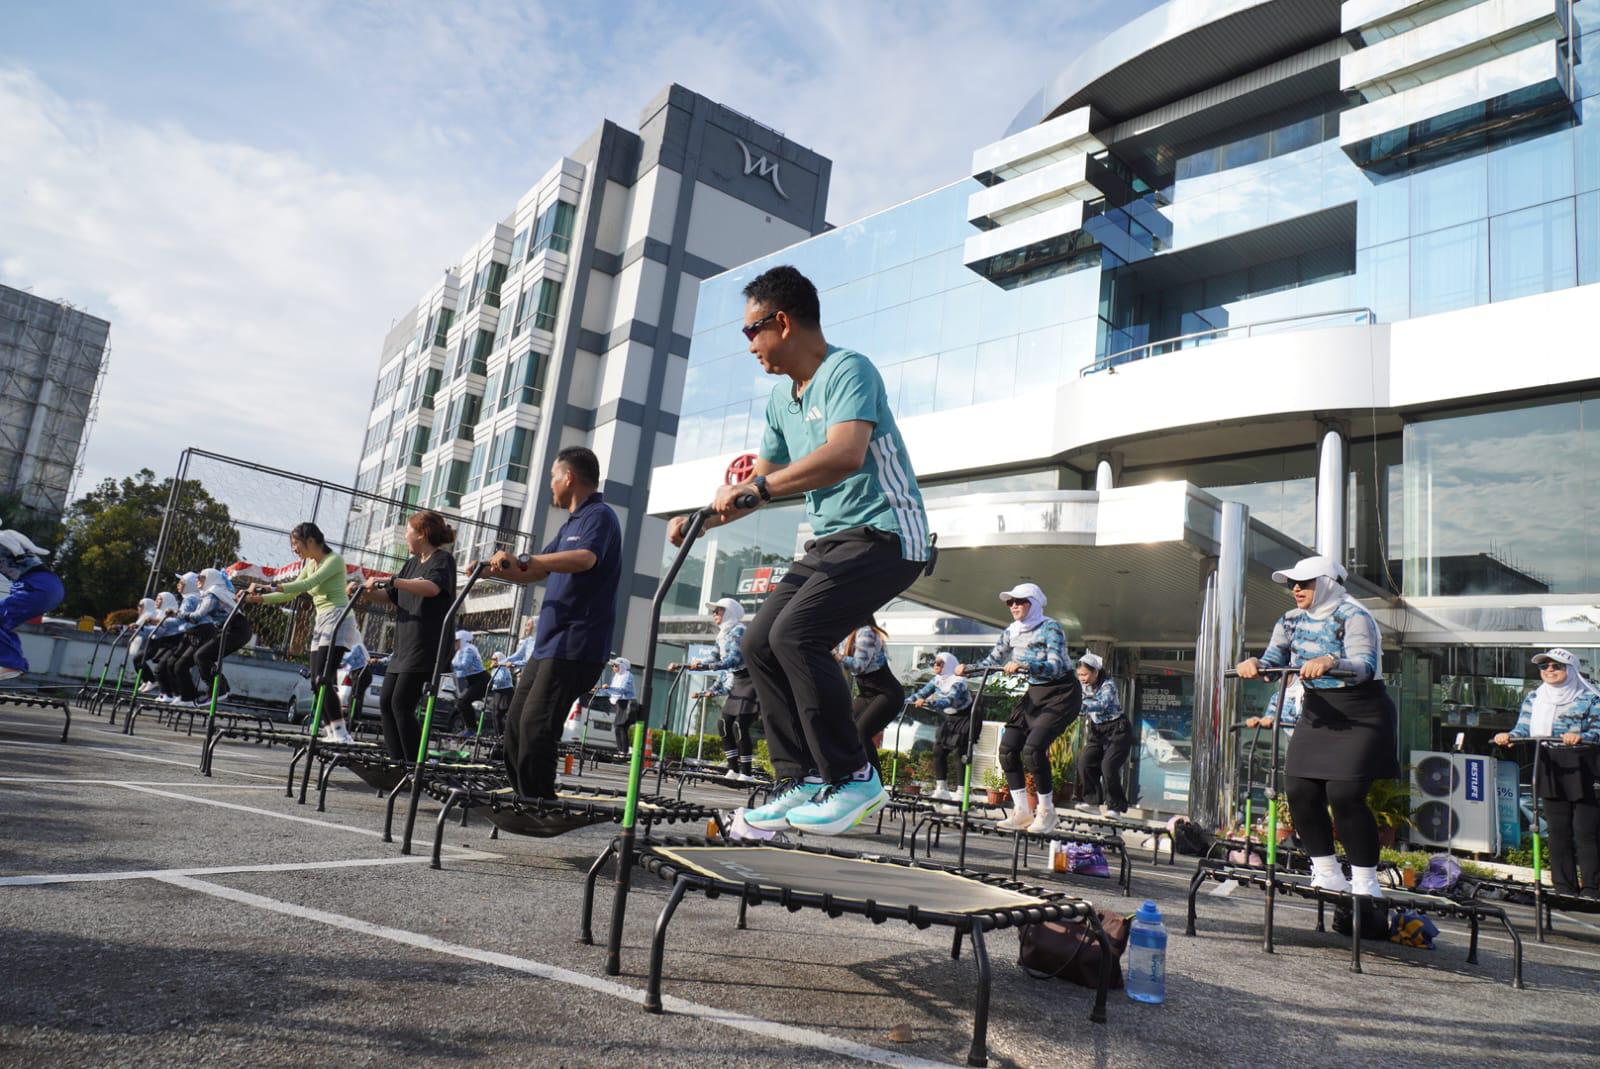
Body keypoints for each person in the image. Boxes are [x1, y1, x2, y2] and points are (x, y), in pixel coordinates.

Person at [670, 265, 931, 836]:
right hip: (833, 541)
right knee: (760, 642)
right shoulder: (780, 405)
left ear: (782, 322)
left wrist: (758, 488)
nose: (749, 346)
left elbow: (844, 455)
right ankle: (803, 779)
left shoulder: (847, 370)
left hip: (888, 533)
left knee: (796, 636)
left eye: (751, 332)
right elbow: (758, 485)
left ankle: (854, 775)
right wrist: (704, 519)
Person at [1236, 555, 1397, 898]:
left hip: (1361, 711)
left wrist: (1331, 661)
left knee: (1345, 795)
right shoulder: (1290, 621)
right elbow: (1272, 664)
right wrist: (1254, 664)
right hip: (1317, 711)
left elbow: (1365, 665)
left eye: (1305, 582)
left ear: (1326, 584)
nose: (1296, 589)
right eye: (1293, 583)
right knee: (1299, 790)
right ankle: (1326, 871)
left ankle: (1366, 881)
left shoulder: (1354, 615)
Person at [485, 446, 622, 799]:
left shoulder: (599, 516)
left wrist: (526, 558)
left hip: (576, 645)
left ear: (569, 477)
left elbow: (585, 558)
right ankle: (525, 796)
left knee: (536, 725)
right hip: (548, 645)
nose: (551, 485)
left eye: (552, 477)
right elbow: (533, 571)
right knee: (515, 724)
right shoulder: (570, 524)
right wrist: (493, 569)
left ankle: (539, 800)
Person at [960, 582, 1075, 834]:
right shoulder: (1011, 631)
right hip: (1035, 692)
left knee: (1033, 750)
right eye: (1009, 602)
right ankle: (1022, 811)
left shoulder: (1050, 627)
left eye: (1019, 601)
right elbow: (993, 660)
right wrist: (968, 669)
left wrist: (1025, 665)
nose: (1013, 606)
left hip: (1061, 692)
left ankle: (1047, 812)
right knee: (1008, 748)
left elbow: (1056, 665)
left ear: (1033, 603)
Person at [1493, 649, 1600, 898]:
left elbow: (1598, 731)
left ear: (1571, 670)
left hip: (1584, 765)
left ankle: (1593, 889)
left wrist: (1581, 737)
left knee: (1586, 831)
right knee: (1557, 830)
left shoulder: (1591, 698)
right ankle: (1564, 889)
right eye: (1544, 667)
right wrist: (1508, 736)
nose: (1549, 671)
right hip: (1549, 762)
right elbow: (1523, 728)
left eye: (1556, 666)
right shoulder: (1535, 697)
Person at [354, 511, 457, 760]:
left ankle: (413, 764)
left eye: (408, 532)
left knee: (401, 703)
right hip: (404, 646)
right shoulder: (411, 564)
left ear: (421, 534)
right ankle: (397, 760)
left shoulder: (442, 560)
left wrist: (395, 581)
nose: (405, 538)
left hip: (426, 645)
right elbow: (390, 596)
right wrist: (364, 592)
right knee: (387, 702)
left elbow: (432, 588)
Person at [249, 523, 357, 741]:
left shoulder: (333, 560)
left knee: (324, 678)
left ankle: (341, 733)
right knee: (316, 681)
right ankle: (332, 731)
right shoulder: (309, 563)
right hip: (322, 621)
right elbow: (290, 594)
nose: (294, 549)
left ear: (309, 541)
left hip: (338, 618)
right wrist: (258, 598)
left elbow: (310, 583)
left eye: (295, 544)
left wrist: (269, 587)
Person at [671, 597, 759, 779]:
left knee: (739, 725)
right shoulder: (722, 635)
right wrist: (694, 664)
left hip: (751, 680)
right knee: (723, 724)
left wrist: (707, 666)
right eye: (714, 611)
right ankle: (733, 769)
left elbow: (733, 660)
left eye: (718, 611)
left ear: (729, 612)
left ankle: (747, 773)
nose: (714, 614)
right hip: (738, 680)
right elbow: (713, 658)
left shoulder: (739, 630)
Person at [836, 616, 904, 782]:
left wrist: (835, 656)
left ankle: (874, 783)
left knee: (861, 732)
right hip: (868, 693)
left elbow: (859, 665)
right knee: (844, 728)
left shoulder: (866, 632)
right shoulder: (850, 634)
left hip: (886, 693)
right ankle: (852, 775)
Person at [173, 568, 251, 706]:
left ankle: (219, 691)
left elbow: (198, 615)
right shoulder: (215, 591)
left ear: (210, 579)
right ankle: (222, 689)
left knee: (201, 656)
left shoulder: (212, 594)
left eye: (201, 577)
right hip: (232, 628)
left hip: (236, 629)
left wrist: (181, 615)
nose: (197, 580)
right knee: (204, 656)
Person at [0, 524, 65, 682]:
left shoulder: (3, 537)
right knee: (4, 622)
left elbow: (13, 545)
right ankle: (9, 662)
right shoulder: (9, 535)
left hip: (36, 586)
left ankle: (11, 663)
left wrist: (19, 554)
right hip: (48, 585)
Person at [1075, 652, 1130, 816]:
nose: (1082, 678)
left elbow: (1102, 704)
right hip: (1097, 731)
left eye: (1085, 674)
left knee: (1108, 767)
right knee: (1085, 762)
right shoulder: (1082, 687)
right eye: (1079, 675)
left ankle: (1115, 806)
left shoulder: (1108, 685)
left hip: (1117, 730)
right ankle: (1092, 802)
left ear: (1095, 672)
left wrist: (1080, 706)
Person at [913, 652, 974, 800]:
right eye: (934, 663)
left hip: (966, 717)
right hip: (951, 717)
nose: (935, 665)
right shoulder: (937, 680)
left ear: (948, 665)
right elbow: (921, 693)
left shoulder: (958, 682)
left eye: (939, 663)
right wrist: (899, 701)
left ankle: (962, 792)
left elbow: (949, 700)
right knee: (938, 750)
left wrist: (929, 703)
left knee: (960, 753)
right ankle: (942, 788)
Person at [451, 629, 490, 734]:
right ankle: (470, 728)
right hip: (473, 681)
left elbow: (464, 665)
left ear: (462, 641)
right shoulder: (458, 653)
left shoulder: (468, 649)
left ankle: (471, 729)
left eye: (456, 641)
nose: (454, 643)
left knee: (464, 701)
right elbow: (456, 670)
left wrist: (450, 664)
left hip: (481, 680)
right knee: (460, 702)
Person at [594, 656, 636, 751]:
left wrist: (608, 688)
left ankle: (623, 752)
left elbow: (621, 690)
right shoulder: (617, 677)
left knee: (622, 727)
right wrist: (598, 691)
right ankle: (621, 751)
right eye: (612, 666)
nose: (613, 668)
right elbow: (611, 691)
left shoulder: (627, 676)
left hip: (627, 703)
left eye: (615, 666)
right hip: (620, 704)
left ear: (622, 666)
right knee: (618, 728)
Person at [488, 654, 516, 735]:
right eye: (492, 659)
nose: (493, 661)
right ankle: (498, 735)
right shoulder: (495, 669)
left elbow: (500, 679)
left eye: (495, 659)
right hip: (497, 693)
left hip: (505, 693)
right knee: (494, 714)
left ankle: (502, 735)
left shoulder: (503, 668)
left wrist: (492, 678)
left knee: (498, 714)